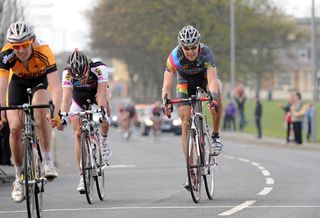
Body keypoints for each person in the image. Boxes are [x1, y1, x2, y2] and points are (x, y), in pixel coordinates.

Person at [0, 21, 61, 203]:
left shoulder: (44, 51)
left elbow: (57, 88)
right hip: (17, 83)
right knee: (15, 128)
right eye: (16, 47)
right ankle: (19, 178)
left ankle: (48, 161)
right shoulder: (6, 54)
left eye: (24, 45)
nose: (20, 51)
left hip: (40, 81)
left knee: (39, 110)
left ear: (32, 41)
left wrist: (55, 113)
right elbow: (1, 88)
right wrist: (1, 111)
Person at [161, 25, 223, 190]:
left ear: (199, 45)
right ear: (181, 47)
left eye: (193, 47)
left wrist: (213, 98)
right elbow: (167, 83)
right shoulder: (174, 57)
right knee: (186, 122)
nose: (190, 51)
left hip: (204, 78)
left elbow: (211, 80)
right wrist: (165, 101)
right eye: (186, 48)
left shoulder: (206, 54)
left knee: (217, 91)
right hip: (184, 82)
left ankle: (216, 137)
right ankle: (191, 170)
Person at [60, 49, 112, 193]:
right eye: (78, 78)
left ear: (88, 68)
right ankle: (82, 176)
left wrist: (102, 113)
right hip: (78, 98)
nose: (81, 80)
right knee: (78, 134)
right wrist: (62, 118)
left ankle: (104, 140)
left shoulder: (99, 68)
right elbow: (66, 97)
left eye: (83, 76)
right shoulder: (67, 73)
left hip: (97, 94)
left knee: (105, 109)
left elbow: (101, 94)